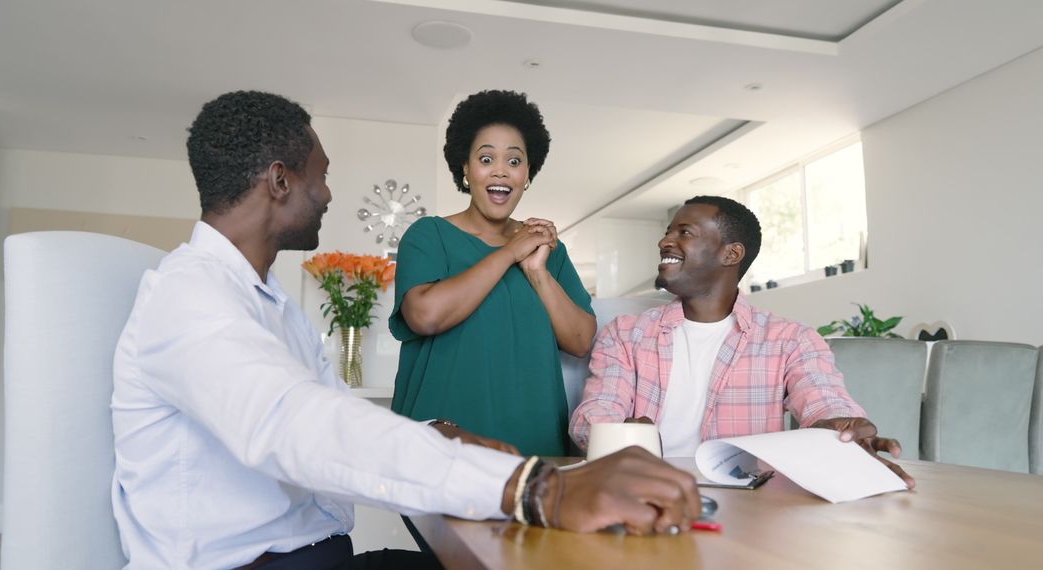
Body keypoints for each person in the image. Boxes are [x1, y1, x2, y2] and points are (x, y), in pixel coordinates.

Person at [111, 91, 702, 570]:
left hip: (315, 554)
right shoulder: (189, 296)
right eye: (321, 176)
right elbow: (294, 424)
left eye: (515, 159)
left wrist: (433, 435)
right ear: (280, 181)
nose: (328, 194)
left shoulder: (269, 304)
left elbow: (330, 412)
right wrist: (536, 487)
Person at [569, 195, 915, 487]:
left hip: (750, 503)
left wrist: (840, 428)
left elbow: (824, 398)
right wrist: (618, 433)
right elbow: (595, 413)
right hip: (644, 492)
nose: (665, 242)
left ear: (731, 254)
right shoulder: (625, 333)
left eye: (684, 232)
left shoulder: (791, 340)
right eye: (667, 232)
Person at [389, 89, 595, 457]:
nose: (500, 170)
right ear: (465, 170)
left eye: (514, 161)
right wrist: (510, 251)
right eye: (486, 158)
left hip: (535, 445)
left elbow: (580, 341)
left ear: (527, 174)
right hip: (442, 446)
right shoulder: (429, 235)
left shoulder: (547, 250)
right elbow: (425, 315)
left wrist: (537, 272)